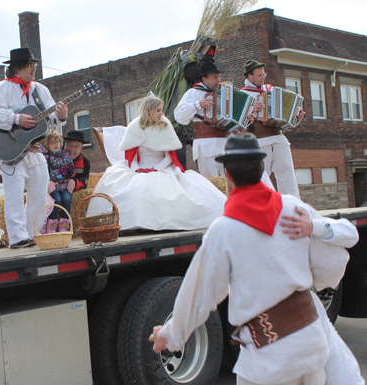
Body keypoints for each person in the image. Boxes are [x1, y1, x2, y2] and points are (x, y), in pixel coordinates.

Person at [149, 133, 361, 385]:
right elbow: (333, 254)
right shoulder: (293, 208)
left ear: (226, 175)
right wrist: (315, 236)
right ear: (262, 169)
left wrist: (172, 335)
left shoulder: (223, 231)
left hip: (267, 359)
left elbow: (199, 295)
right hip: (311, 344)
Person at [87, 93, 226, 231]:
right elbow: (132, 157)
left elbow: (169, 157)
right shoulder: (135, 127)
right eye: (158, 110)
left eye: (161, 110)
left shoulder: (165, 125)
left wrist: (156, 168)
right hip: (139, 168)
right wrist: (136, 169)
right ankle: (135, 224)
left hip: (161, 166)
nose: (161, 113)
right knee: (134, 189)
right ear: (149, 110)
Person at [0, 48, 68, 248]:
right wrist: (15, 118)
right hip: (11, 151)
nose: (33, 69)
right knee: (14, 197)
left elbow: (52, 119)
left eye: (34, 65)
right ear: (17, 68)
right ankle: (17, 238)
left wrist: (62, 115)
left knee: (40, 195)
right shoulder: (2, 88)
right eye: (29, 65)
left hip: (36, 150)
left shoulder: (39, 89)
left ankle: (33, 234)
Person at [241, 59, 305, 198]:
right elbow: (237, 124)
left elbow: (285, 122)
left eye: (264, 74)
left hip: (279, 138)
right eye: (259, 75)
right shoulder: (242, 95)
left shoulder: (271, 90)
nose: (263, 78)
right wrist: (250, 110)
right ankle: (260, 209)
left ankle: (293, 209)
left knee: (288, 176)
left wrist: (295, 118)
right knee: (260, 178)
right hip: (258, 141)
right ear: (249, 77)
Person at [174, 61, 229, 177]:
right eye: (214, 77)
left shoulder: (225, 93)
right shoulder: (193, 92)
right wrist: (197, 105)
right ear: (204, 79)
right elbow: (179, 115)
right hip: (206, 145)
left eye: (218, 77)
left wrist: (247, 116)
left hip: (226, 145)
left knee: (230, 183)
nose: (218, 80)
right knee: (210, 183)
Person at [40, 129, 75, 233]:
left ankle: (64, 224)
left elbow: (71, 170)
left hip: (63, 186)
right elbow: (46, 173)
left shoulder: (65, 155)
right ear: (47, 145)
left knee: (67, 200)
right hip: (53, 186)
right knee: (56, 201)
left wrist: (67, 175)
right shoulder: (45, 157)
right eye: (52, 143)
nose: (55, 144)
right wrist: (60, 174)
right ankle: (52, 224)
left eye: (57, 141)